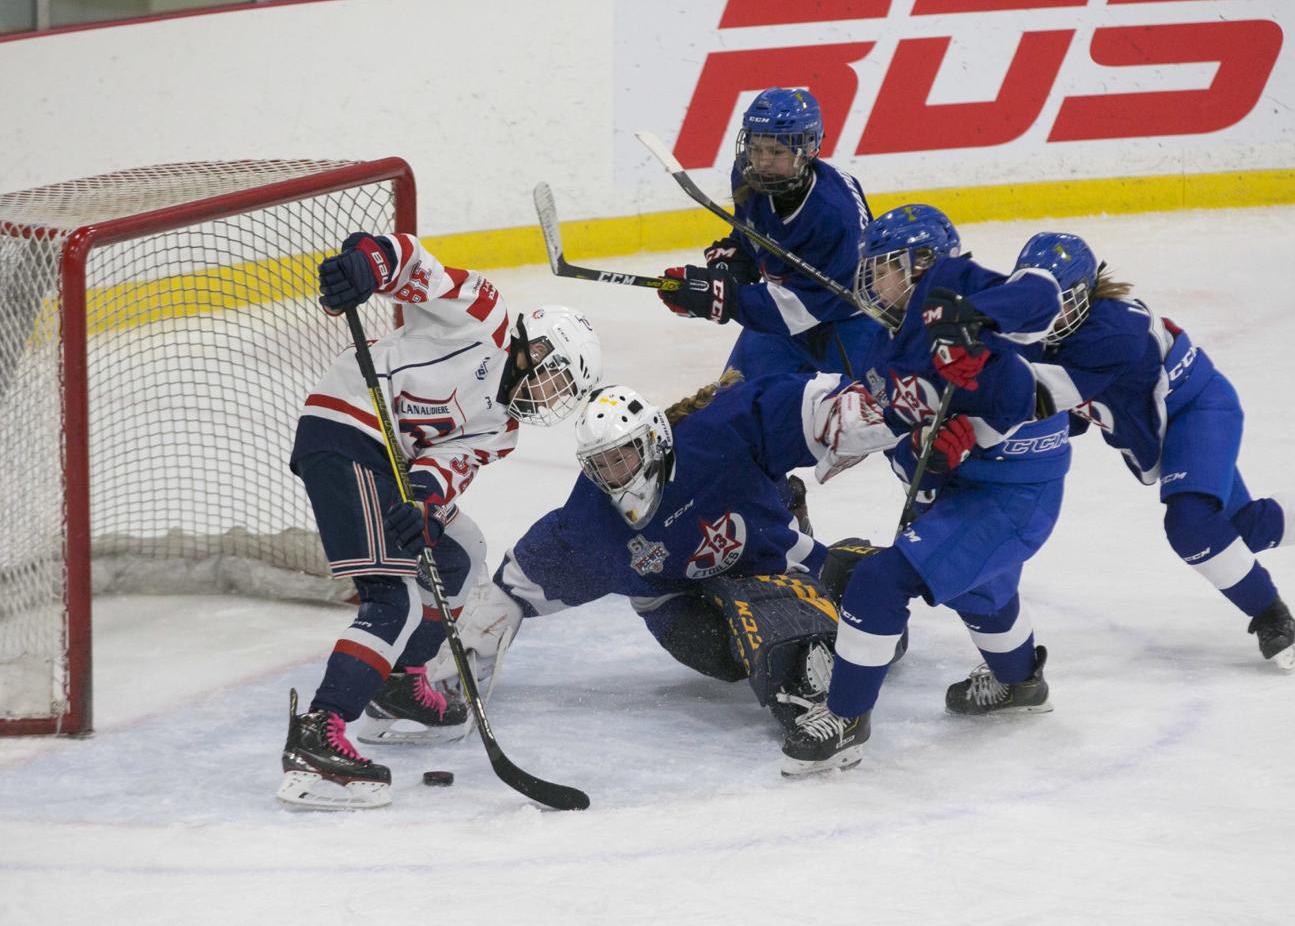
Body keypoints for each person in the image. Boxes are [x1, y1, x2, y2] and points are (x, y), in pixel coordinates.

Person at [276, 230, 602, 810]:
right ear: (537, 347)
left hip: (393, 466)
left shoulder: (502, 428)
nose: (550, 396)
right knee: (394, 599)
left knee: (461, 551)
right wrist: (367, 263)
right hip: (345, 431)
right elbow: (413, 265)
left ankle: (398, 686)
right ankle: (317, 739)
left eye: (561, 392)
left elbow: (446, 467)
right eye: (554, 378)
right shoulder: (485, 316)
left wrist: (424, 502)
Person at [1010, 231, 1295, 671]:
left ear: (1084, 294)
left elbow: (1044, 395)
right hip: (1177, 419)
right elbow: (1074, 411)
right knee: (1238, 528)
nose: (1047, 313)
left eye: (1058, 301)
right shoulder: (1059, 334)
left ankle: (1270, 614)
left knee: (1191, 523)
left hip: (1197, 411)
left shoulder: (1110, 332)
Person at [448, 370, 908, 737]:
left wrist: (851, 411)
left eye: (622, 456)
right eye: (602, 464)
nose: (614, 474)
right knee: (730, 658)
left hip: (768, 554)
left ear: (653, 440)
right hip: (674, 598)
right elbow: (513, 589)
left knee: (889, 635)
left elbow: (795, 405)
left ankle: (840, 562)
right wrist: (463, 661)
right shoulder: (593, 522)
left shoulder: (716, 437)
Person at [780, 204, 1071, 777]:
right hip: (966, 486)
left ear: (920, 265)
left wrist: (972, 321)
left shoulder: (953, 287)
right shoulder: (885, 344)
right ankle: (1021, 684)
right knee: (978, 591)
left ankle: (845, 720)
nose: (873, 281)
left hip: (1014, 494)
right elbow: (906, 434)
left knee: (878, 579)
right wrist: (914, 453)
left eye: (884, 267)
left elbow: (1042, 298)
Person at [654, 87, 882, 382]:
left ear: (807, 149)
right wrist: (738, 258)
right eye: (756, 148)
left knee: (860, 423)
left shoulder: (835, 215)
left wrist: (724, 298)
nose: (762, 161)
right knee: (732, 408)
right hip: (778, 326)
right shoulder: (748, 176)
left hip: (846, 325)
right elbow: (752, 233)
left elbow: (801, 307)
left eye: (775, 151)